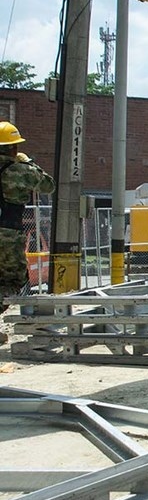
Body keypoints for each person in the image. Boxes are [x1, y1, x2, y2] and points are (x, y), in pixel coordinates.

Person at [0, 121, 55, 340]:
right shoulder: (20, 171)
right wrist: (29, 162)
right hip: (7, 234)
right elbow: (48, 185)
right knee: (13, 282)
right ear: (13, 148)